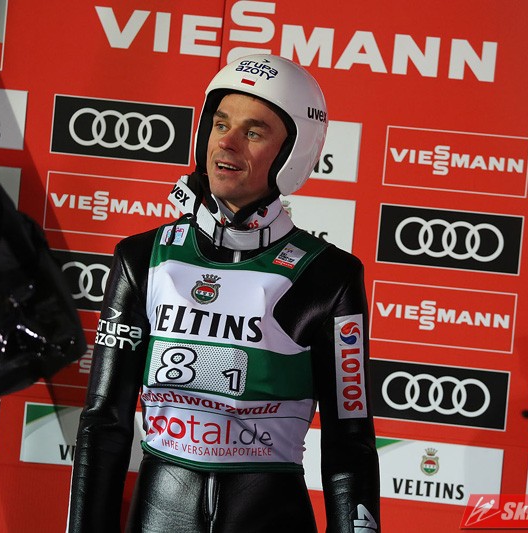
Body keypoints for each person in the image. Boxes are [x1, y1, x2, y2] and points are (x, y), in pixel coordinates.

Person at [66, 53, 380, 533]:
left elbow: (349, 445)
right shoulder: (142, 259)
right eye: (220, 124)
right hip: (159, 515)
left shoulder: (329, 276)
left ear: (293, 154)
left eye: (253, 132)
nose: (226, 143)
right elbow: (103, 425)